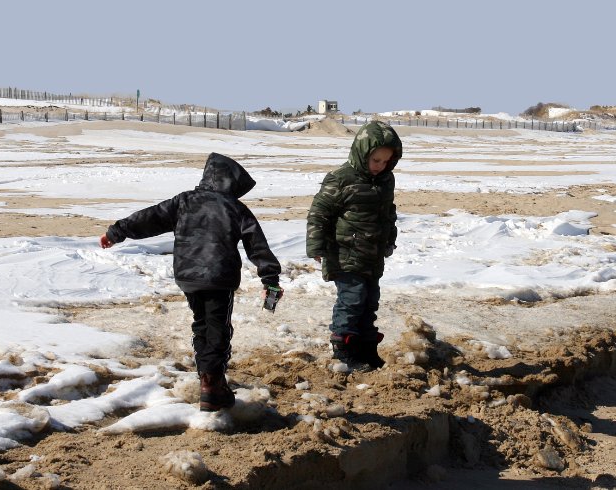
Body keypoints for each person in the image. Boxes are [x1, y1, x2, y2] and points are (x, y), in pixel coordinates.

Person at [100, 153, 282, 411]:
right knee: (218, 328)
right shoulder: (235, 208)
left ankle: (207, 380)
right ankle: (212, 384)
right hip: (219, 277)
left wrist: (116, 232)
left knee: (202, 325)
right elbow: (257, 246)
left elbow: (150, 218)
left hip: (188, 276)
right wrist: (270, 279)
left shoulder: (184, 201)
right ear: (231, 181)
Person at [306, 120, 403, 370]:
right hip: (344, 253)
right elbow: (320, 212)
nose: (380, 167)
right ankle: (344, 350)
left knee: (370, 301)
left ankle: (367, 349)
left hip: (372, 254)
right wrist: (316, 245)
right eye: (375, 161)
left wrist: (389, 238)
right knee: (352, 299)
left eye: (386, 162)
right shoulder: (341, 179)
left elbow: (387, 213)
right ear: (362, 153)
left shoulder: (385, 180)